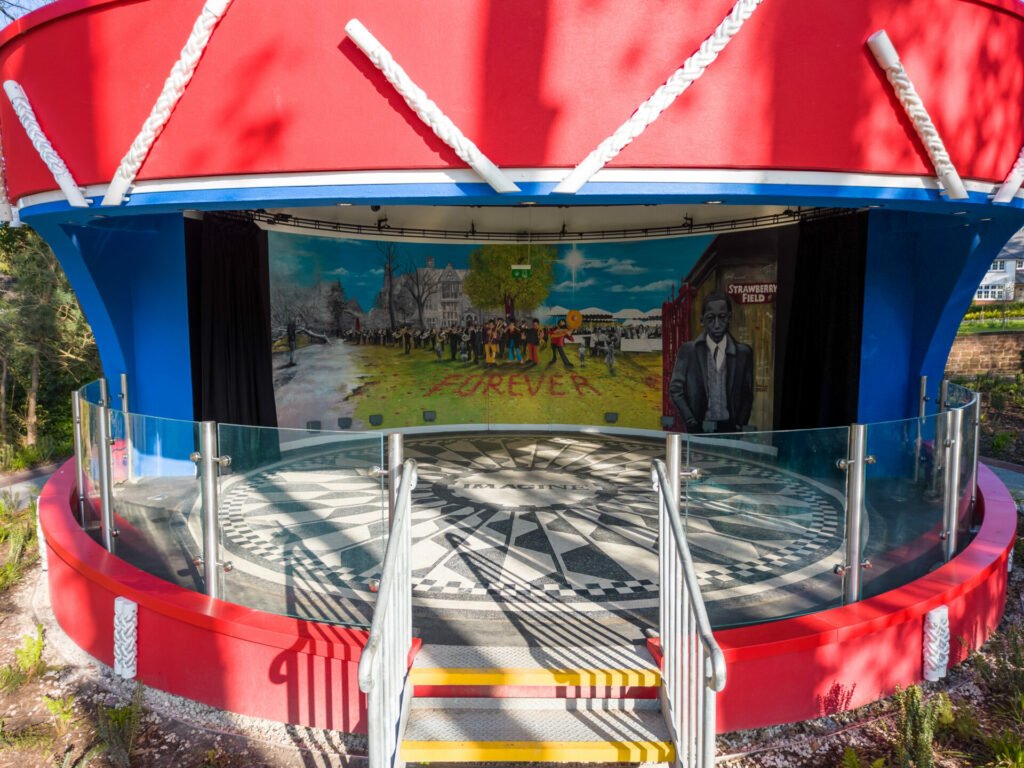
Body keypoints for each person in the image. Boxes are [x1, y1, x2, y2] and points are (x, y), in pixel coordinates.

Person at [668, 292, 753, 433]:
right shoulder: (689, 351)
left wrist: (739, 424)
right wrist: (691, 421)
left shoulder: (743, 353)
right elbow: (676, 389)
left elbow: (747, 394)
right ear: (702, 321)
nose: (717, 325)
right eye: (711, 318)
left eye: (722, 317)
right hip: (699, 428)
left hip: (730, 430)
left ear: (729, 318)